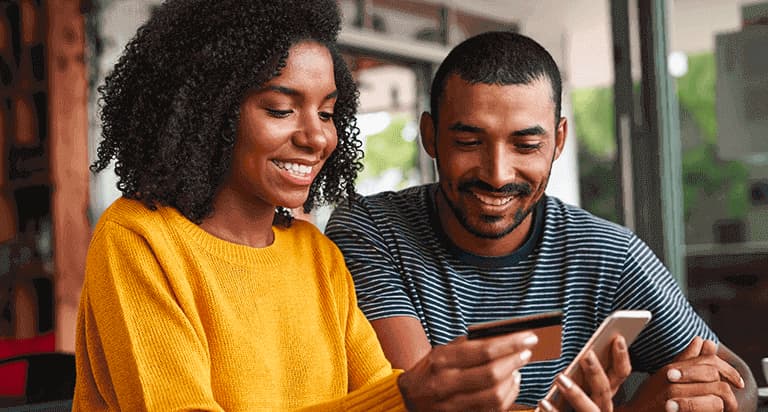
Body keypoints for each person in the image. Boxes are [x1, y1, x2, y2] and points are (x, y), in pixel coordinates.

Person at [72, 2, 556, 411]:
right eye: (281, 109)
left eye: (326, 112)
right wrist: (406, 395)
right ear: (208, 111)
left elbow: (380, 393)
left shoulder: (315, 255)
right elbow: (389, 400)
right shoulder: (139, 240)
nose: (317, 137)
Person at [325, 30, 758, 412]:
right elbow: (428, 399)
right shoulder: (371, 231)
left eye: (526, 145)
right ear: (430, 136)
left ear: (559, 140)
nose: (497, 174)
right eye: (469, 141)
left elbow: (740, 382)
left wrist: (696, 393)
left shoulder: (609, 255)